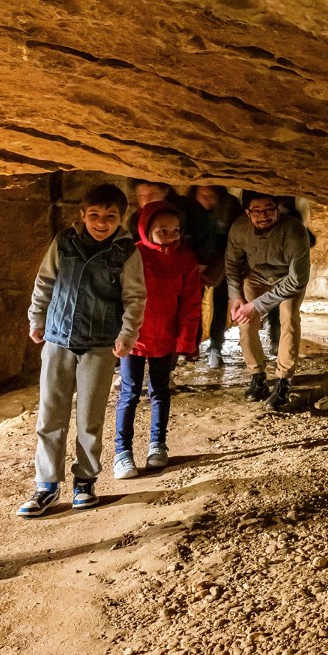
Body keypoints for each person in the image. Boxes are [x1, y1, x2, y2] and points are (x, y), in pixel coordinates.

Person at [19, 183, 146, 517]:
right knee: (50, 415)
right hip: (58, 339)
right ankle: (46, 485)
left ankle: (85, 481)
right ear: (82, 215)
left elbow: (134, 297)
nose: (101, 222)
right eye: (94, 215)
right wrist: (37, 318)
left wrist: (127, 335)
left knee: (89, 417)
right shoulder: (64, 243)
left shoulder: (126, 253)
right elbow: (44, 282)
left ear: (121, 218)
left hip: (99, 344)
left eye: (110, 216)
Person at [113, 200, 202, 479]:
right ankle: (122, 452)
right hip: (135, 340)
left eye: (175, 230)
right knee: (129, 393)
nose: (170, 236)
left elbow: (191, 303)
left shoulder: (184, 259)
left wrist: (186, 341)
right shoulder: (134, 256)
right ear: (145, 229)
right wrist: (118, 334)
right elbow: (120, 297)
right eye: (162, 230)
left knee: (160, 391)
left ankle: (157, 444)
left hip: (165, 339)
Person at [225, 191, 310, 410]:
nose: (264, 215)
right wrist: (236, 297)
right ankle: (257, 376)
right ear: (248, 212)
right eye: (257, 211)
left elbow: (296, 281)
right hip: (257, 277)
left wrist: (256, 305)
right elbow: (232, 264)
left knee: (289, 320)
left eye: (269, 209)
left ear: (278, 208)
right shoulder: (240, 228)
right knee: (245, 322)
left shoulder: (294, 231)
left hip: (287, 281)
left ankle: (283, 380)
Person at [187, 185, 242, 368]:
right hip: (194, 262)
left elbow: (235, 237)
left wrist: (221, 265)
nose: (207, 200)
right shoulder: (188, 206)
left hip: (223, 261)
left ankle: (215, 347)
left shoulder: (230, 207)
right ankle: (191, 345)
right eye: (203, 195)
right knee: (192, 303)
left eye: (212, 196)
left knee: (220, 303)